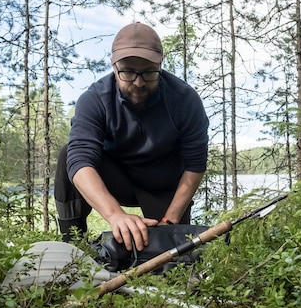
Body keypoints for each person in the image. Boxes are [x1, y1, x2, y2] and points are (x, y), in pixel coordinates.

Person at [54, 22, 209, 253]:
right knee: (68, 153)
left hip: (165, 185)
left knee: (173, 255)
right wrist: (115, 214)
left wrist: (171, 218)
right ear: (114, 66)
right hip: (117, 179)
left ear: (160, 65)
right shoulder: (95, 99)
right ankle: (73, 245)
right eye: (128, 71)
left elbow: (195, 164)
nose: (138, 82)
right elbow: (80, 159)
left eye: (148, 72)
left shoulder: (185, 99)